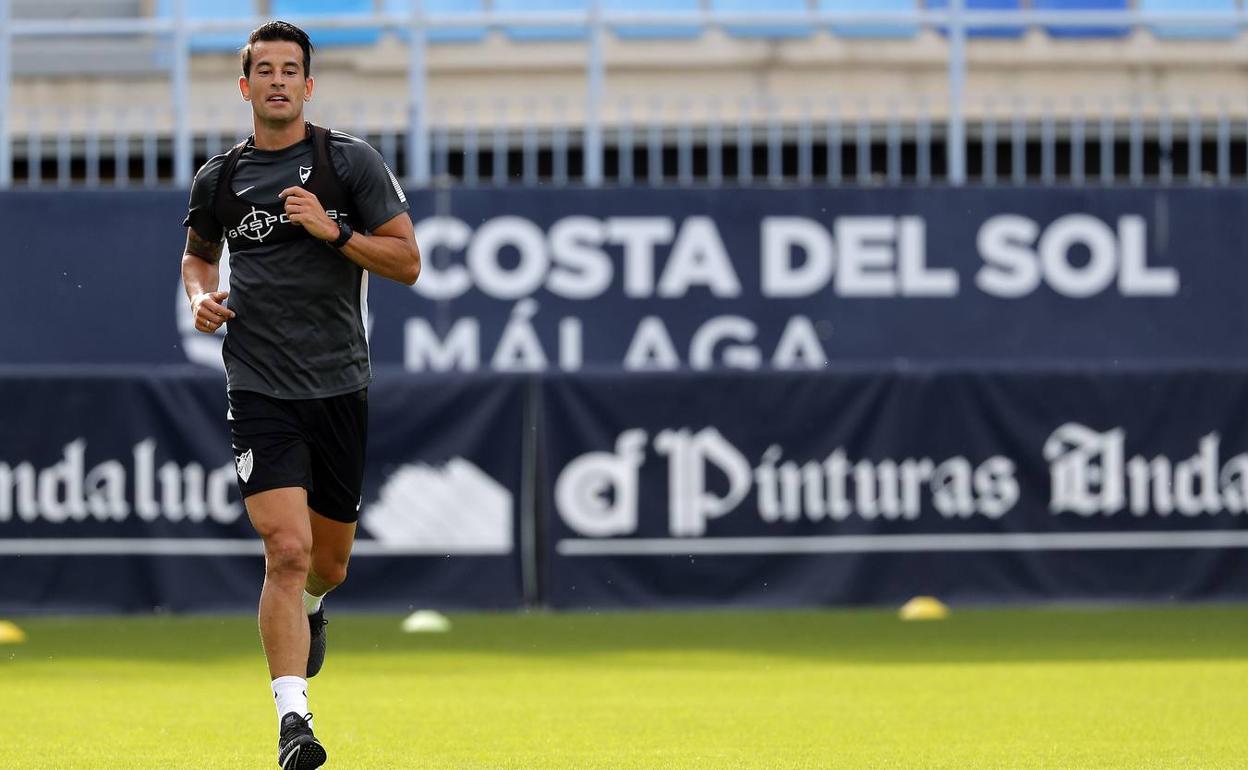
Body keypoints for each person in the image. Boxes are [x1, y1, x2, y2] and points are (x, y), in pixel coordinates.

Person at [179, 20, 420, 770]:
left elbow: (408, 261)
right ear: (245, 85)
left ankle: (316, 609)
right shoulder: (218, 179)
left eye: (292, 70)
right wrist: (199, 297)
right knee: (285, 551)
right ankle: (294, 722)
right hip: (258, 385)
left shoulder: (348, 163)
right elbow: (196, 257)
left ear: (308, 86)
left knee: (328, 565)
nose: (279, 80)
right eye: (266, 70)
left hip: (338, 384)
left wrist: (333, 232)